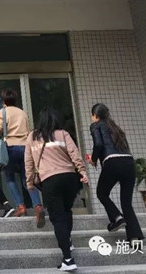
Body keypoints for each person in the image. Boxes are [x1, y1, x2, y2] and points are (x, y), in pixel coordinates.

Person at [25, 108, 89, 272]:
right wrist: (82, 171)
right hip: (69, 178)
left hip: (50, 180)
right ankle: (68, 240)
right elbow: (74, 153)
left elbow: (29, 162)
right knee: (66, 210)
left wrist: (30, 183)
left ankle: (68, 259)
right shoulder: (63, 134)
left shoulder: (32, 137)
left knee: (58, 218)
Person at [89, 103, 144, 245]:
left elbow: (98, 145)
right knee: (126, 203)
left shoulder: (95, 125)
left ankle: (117, 218)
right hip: (129, 162)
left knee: (102, 193)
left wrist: (93, 160)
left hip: (112, 162)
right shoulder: (116, 128)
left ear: (95, 115)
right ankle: (135, 238)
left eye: (92, 115)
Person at [0, 89, 45, 226]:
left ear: (4, 101)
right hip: (25, 148)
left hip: (10, 147)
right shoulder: (22, 113)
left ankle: (20, 206)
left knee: (9, 178)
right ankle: (38, 206)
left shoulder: (3, 112)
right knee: (27, 179)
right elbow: (29, 131)